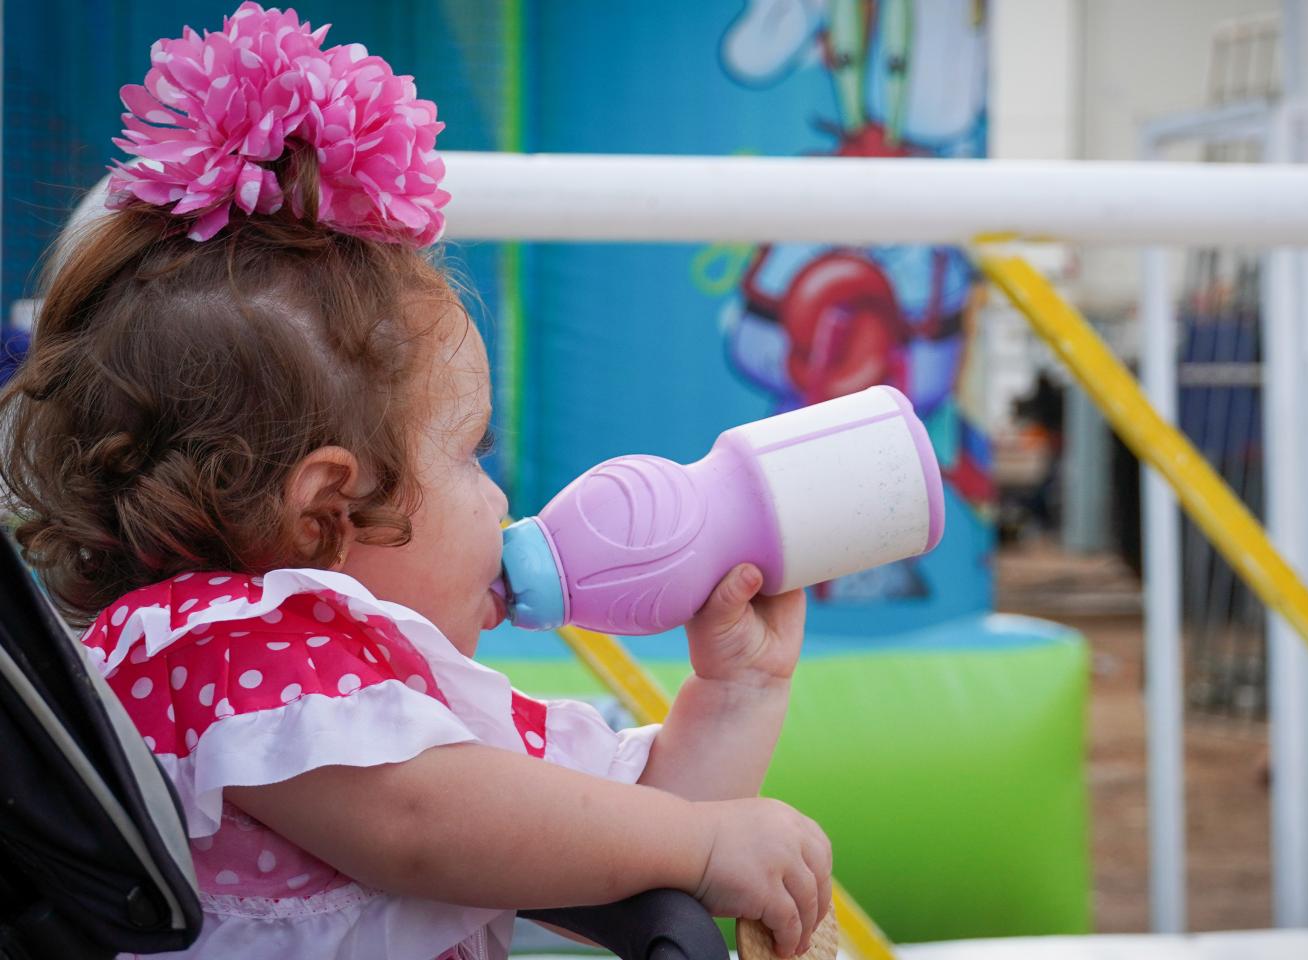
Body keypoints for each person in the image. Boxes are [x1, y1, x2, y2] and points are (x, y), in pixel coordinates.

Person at [0, 5, 830, 958]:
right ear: (325, 512)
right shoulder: (217, 649)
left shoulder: (387, 697)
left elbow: (621, 838)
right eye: (473, 455)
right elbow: (423, 826)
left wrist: (739, 691)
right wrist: (701, 839)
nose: (500, 500)